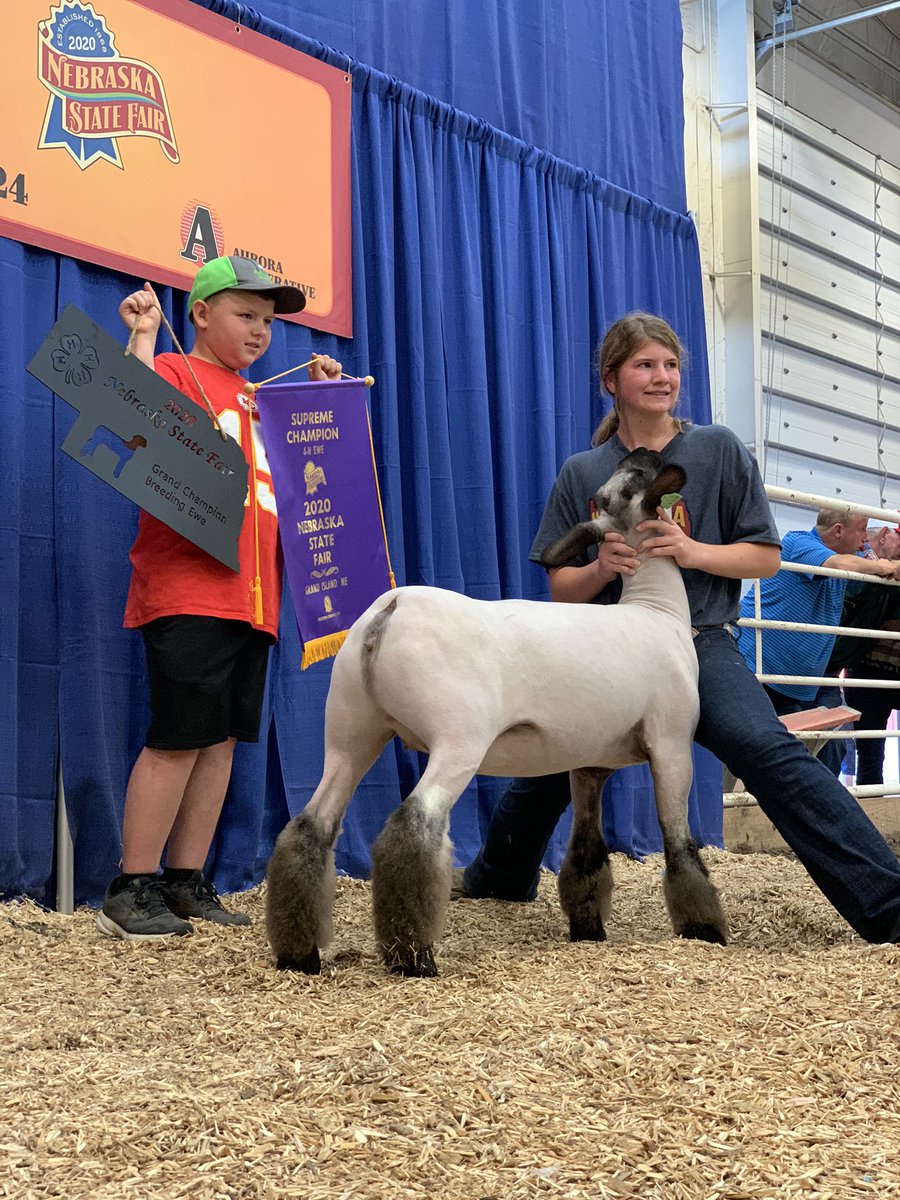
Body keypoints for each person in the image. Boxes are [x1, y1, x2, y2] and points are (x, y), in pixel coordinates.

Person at [455, 312, 900, 945]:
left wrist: (693, 553)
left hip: (698, 641)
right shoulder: (584, 471)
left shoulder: (717, 449)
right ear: (612, 378)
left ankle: (888, 903)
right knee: (557, 750)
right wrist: (599, 568)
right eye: (644, 365)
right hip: (605, 642)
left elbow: (765, 556)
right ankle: (500, 876)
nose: (661, 377)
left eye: (669, 365)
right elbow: (560, 584)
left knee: (765, 749)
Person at [97, 255, 342, 940]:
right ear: (200, 314)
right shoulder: (179, 372)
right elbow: (129, 412)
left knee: (222, 745)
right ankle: (131, 886)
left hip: (253, 601)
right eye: (246, 314)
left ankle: (183, 879)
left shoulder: (261, 398)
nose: (261, 330)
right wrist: (144, 335)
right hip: (188, 589)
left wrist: (326, 399)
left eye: (268, 320)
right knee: (180, 737)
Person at [735, 509, 899, 775]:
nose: (865, 541)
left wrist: (890, 566)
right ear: (837, 531)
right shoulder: (798, 542)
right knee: (766, 751)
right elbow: (838, 565)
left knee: (831, 748)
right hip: (763, 672)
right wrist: (882, 566)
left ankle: (817, 813)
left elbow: (872, 566)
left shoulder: (854, 557)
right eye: (861, 530)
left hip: (809, 681)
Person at [828, 525, 900, 787]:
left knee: (868, 749)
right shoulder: (867, 566)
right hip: (866, 668)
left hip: (869, 666)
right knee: (869, 749)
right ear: (883, 534)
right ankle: (872, 811)